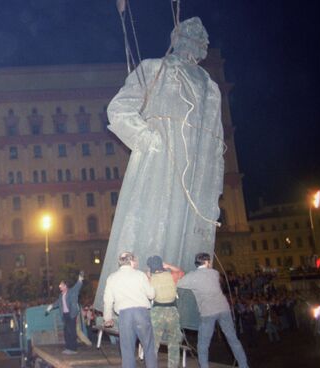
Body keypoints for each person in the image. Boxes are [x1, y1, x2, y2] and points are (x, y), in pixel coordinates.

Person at [94, 16, 224, 311]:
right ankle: (133, 305)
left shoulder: (211, 87)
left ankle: (180, 310)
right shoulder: (154, 69)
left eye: (203, 40)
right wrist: (147, 139)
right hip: (158, 164)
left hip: (196, 177)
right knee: (151, 229)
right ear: (179, 39)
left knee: (185, 241)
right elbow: (119, 108)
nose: (201, 43)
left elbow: (216, 138)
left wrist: (213, 183)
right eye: (195, 37)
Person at [177, 253, 248, 368]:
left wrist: (181, 274)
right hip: (224, 309)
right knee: (233, 339)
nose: (210, 263)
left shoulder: (192, 277)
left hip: (208, 312)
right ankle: (244, 366)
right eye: (209, 261)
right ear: (206, 262)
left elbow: (179, 283)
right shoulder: (215, 273)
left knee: (203, 344)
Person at [103, 252, 157, 368]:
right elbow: (152, 295)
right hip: (141, 314)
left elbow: (108, 300)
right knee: (148, 348)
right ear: (132, 261)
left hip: (124, 316)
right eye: (135, 261)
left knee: (127, 351)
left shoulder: (112, 278)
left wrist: (108, 318)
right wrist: (150, 280)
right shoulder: (140, 275)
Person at [147, 255, 183, 368]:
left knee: (154, 342)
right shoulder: (171, 276)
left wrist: (148, 273)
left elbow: (146, 279)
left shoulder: (150, 278)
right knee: (174, 342)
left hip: (157, 311)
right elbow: (181, 272)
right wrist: (168, 266)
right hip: (172, 311)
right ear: (162, 264)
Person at [46, 271, 84, 354]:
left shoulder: (71, 292)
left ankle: (73, 349)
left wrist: (80, 279)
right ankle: (68, 347)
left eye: (61, 285)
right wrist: (51, 307)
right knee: (66, 331)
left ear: (65, 286)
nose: (59, 286)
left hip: (71, 314)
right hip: (65, 315)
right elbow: (57, 303)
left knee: (72, 331)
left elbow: (77, 286)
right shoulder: (61, 295)